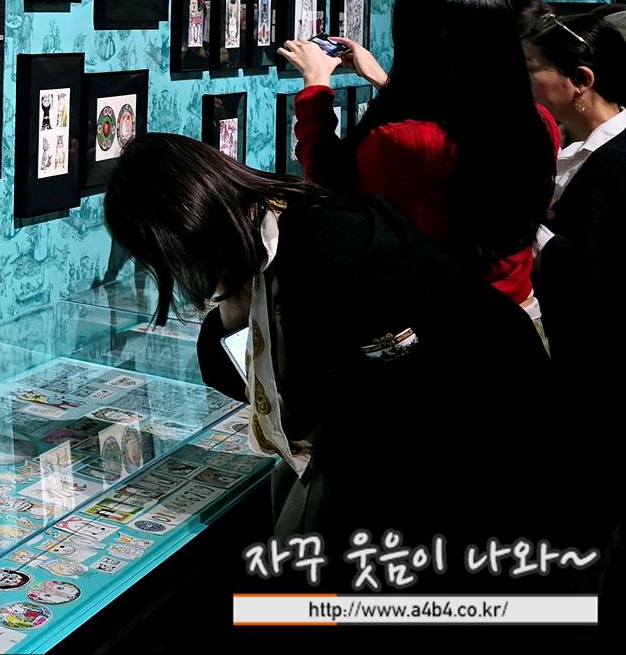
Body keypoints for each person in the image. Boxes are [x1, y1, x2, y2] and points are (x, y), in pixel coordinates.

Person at [103, 134, 554, 556]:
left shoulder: (332, 253)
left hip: (479, 444)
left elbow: (349, 405)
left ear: (182, 234)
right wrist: (232, 297)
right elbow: (231, 368)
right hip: (438, 428)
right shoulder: (280, 221)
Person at [279, 0, 557, 313]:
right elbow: (457, 120)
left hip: (445, 319)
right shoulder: (539, 122)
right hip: (520, 311)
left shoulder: (400, 143)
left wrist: (316, 83)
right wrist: (381, 79)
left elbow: (328, 171)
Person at [525, 7, 626, 389]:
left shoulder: (616, 162)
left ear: (581, 79)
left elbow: (591, 269)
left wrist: (523, 224)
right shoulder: (560, 140)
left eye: (531, 67)